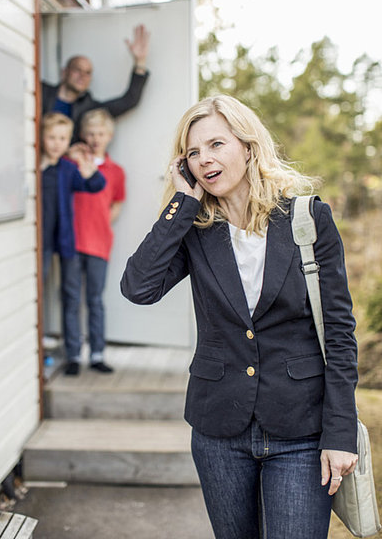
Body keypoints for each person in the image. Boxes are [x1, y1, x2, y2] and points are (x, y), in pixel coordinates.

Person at [120, 95, 359, 539]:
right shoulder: (194, 230)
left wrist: (340, 431)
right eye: (193, 152)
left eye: (216, 144)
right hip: (218, 433)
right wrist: (180, 205)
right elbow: (138, 288)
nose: (205, 159)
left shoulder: (309, 219)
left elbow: (341, 333)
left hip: (300, 432)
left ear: (247, 146)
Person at [40, 112, 106, 375]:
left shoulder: (68, 168)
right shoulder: (38, 166)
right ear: (42, 138)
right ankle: (62, 351)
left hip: (66, 240)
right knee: (49, 292)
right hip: (42, 241)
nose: (57, 143)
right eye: (52, 137)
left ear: (69, 140)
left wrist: (86, 166)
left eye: (62, 138)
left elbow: (95, 185)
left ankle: (87, 353)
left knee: (74, 294)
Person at [66, 109, 126, 374]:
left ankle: (97, 354)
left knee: (94, 299)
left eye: (100, 133)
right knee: (70, 298)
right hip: (71, 241)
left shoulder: (116, 171)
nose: (95, 138)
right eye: (90, 133)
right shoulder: (72, 163)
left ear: (109, 136)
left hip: (99, 242)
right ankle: (72, 356)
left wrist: (100, 223)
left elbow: (116, 204)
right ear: (82, 135)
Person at [42, 24, 150, 143]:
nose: (82, 76)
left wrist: (140, 62)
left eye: (87, 73)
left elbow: (129, 100)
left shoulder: (90, 108)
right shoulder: (42, 92)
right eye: (77, 70)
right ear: (65, 72)